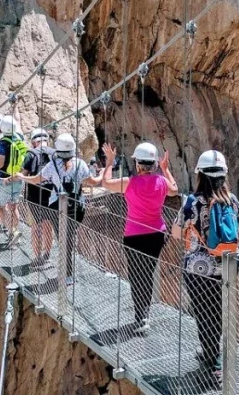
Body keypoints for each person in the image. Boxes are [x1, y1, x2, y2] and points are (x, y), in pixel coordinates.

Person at [173, 149, 239, 382]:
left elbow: (175, 232)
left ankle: (214, 363)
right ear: (223, 175)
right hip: (225, 267)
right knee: (218, 313)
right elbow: (237, 229)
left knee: (203, 314)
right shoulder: (232, 201)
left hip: (197, 269)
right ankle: (213, 355)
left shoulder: (193, 202)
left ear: (200, 175)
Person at [102, 142, 179, 335]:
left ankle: (141, 316)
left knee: (136, 275)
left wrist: (110, 162)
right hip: (157, 234)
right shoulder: (161, 181)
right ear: (154, 164)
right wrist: (166, 170)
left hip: (134, 235)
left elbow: (105, 183)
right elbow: (175, 190)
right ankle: (144, 313)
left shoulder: (130, 182)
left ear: (137, 164)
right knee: (148, 271)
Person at [13, 133, 101, 284]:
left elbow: (35, 180)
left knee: (63, 238)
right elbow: (94, 182)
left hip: (56, 207)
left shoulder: (52, 165)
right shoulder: (81, 164)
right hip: (77, 207)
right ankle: (67, 268)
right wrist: (106, 170)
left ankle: (66, 272)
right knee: (68, 237)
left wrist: (21, 177)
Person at [0, 115, 27, 247]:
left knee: (0, 207)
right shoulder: (20, 139)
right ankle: (15, 231)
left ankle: (12, 232)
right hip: (17, 178)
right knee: (13, 207)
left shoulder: (2, 143)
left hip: (3, 180)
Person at [21, 128, 55, 267]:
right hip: (52, 194)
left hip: (34, 196)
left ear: (34, 141)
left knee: (36, 227)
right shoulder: (55, 154)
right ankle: (47, 254)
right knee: (48, 225)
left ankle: (37, 257)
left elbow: (24, 174)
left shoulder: (31, 154)